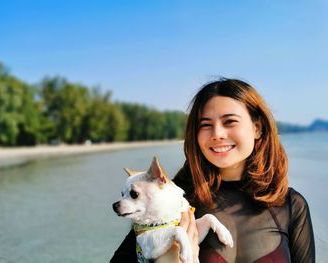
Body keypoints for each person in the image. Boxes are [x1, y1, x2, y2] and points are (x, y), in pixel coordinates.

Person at [110, 78, 315, 263]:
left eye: (230, 121)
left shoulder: (291, 205)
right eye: (206, 125)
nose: (217, 134)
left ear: (257, 128)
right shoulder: (171, 202)